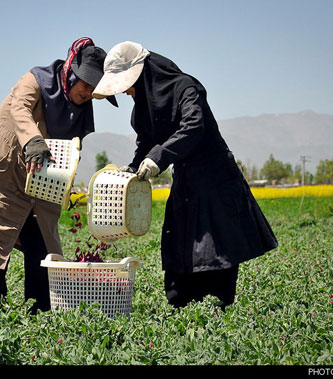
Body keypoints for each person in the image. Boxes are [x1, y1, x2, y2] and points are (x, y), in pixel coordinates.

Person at [92, 41, 278, 311]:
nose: (129, 93)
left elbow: (194, 126)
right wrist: (133, 168)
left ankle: (215, 311)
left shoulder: (184, 89)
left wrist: (159, 158)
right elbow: (146, 141)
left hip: (215, 179)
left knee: (215, 249)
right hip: (187, 181)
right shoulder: (145, 107)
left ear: (144, 75)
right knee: (180, 244)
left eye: (129, 86)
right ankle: (184, 310)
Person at [0, 37, 118, 313]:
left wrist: (71, 190)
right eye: (85, 83)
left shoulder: (78, 110)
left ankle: (39, 319)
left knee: (44, 252)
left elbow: (69, 151)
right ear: (71, 73)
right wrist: (33, 141)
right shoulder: (35, 81)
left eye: (94, 87)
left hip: (41, 185)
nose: (89, 92)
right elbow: (19, 111)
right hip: (3, 179)